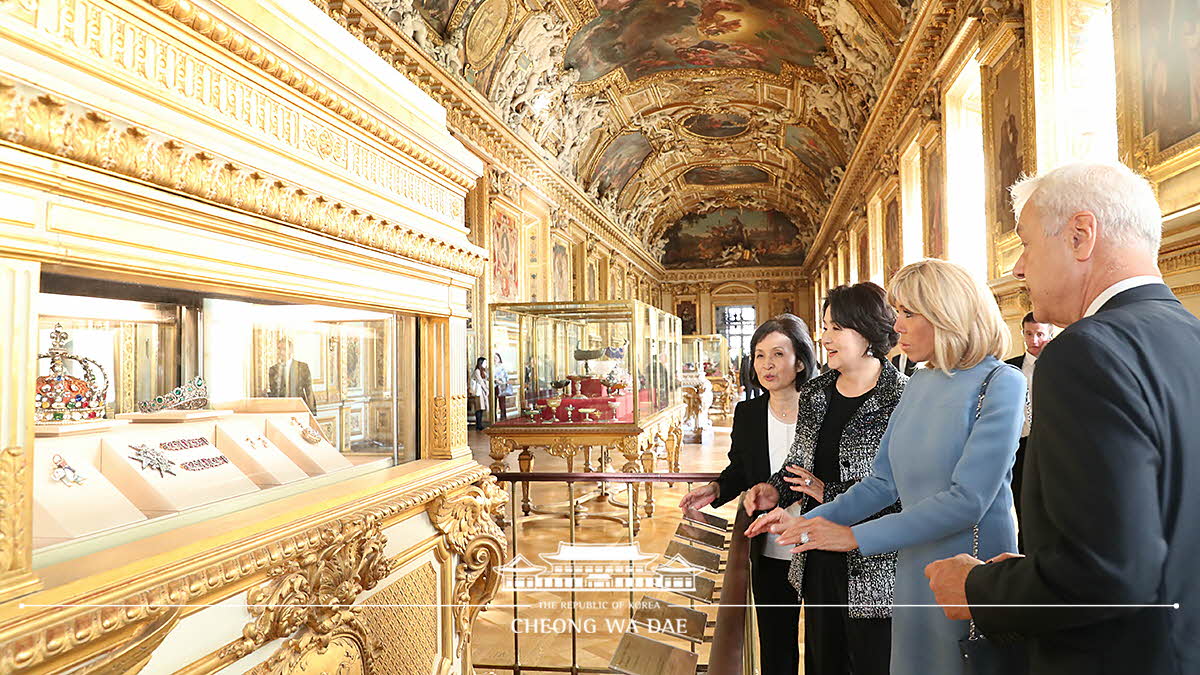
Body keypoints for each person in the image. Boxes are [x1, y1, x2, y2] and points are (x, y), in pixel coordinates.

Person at [927, 161, 1200, 673]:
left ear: (1080, 235)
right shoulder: (1189, 335)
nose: (1018, 268)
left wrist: (976, 586)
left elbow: (1110, 572)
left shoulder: (1085, 353)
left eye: (1026, 244)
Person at [748, 258, 1026, 675]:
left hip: (969, 567)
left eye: (908, 313)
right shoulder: (921, 379)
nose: (896, 326)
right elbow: (882, 483)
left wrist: (853, 536)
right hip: (911, 566)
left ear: (946, 312)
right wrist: (804, 523)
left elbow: (968, 500)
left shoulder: (1000, 382)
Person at [741, 283, 906, 675]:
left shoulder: (900, 397)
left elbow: (902, 488)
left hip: (874, 559)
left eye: (835, 329)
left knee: (871, 661)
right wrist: (772, 490)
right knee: (823, 660)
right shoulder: (816, 392)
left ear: (866, 332)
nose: (824, 338)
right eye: (825, 327)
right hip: (818, 556)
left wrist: (825, 491)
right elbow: (797, 465)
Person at [678, 313, 817, 674]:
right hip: (770, 547)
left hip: (819, 543)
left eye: (778, 354)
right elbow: (740, 468)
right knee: (776, 646)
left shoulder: (823, 409)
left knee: (825, 647)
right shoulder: (748, 413)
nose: (767, 365)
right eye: (759, 355)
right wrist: (715, 488)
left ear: (800, 361)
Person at [1004, 311, 1055, 552]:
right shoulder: (1009, 368)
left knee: (1052, 507)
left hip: (1050, 446)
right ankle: (1026, 555)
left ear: (1050, 334)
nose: (1034, 340)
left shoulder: (1061, 365)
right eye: (1029, 334)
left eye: (1040, 334)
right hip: (1019, 447)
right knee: (1023, 505)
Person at [267, 337, 316, 412]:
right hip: (280, 410)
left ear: (291, 350)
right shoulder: (273, 369)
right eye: (279, 349)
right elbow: (274, 394)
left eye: (284, 349)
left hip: (298, 408)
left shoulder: (302, 367)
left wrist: (312, 412)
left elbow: (309, 390)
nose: (281, 352)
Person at [469, 357, 489, 431]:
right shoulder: (477, 371)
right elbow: (480, 381)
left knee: (481, 408)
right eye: (485, 363)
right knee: (478, 408)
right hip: (479, 392)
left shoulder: (483, 371)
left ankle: (480, 424)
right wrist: (486, 389)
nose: (486, 364)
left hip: (482, 392)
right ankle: (478, 425)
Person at [493, 353, 511, 420]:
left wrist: (501, 381)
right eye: (494, 358)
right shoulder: (491, 367)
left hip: (501, 386)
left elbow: (506, 377)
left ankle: (503, 416)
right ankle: (493, 416)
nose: (495, 359)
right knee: (493, 402)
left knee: (502, 402)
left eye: (496, 357)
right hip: (494, 386)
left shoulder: (502, 367)